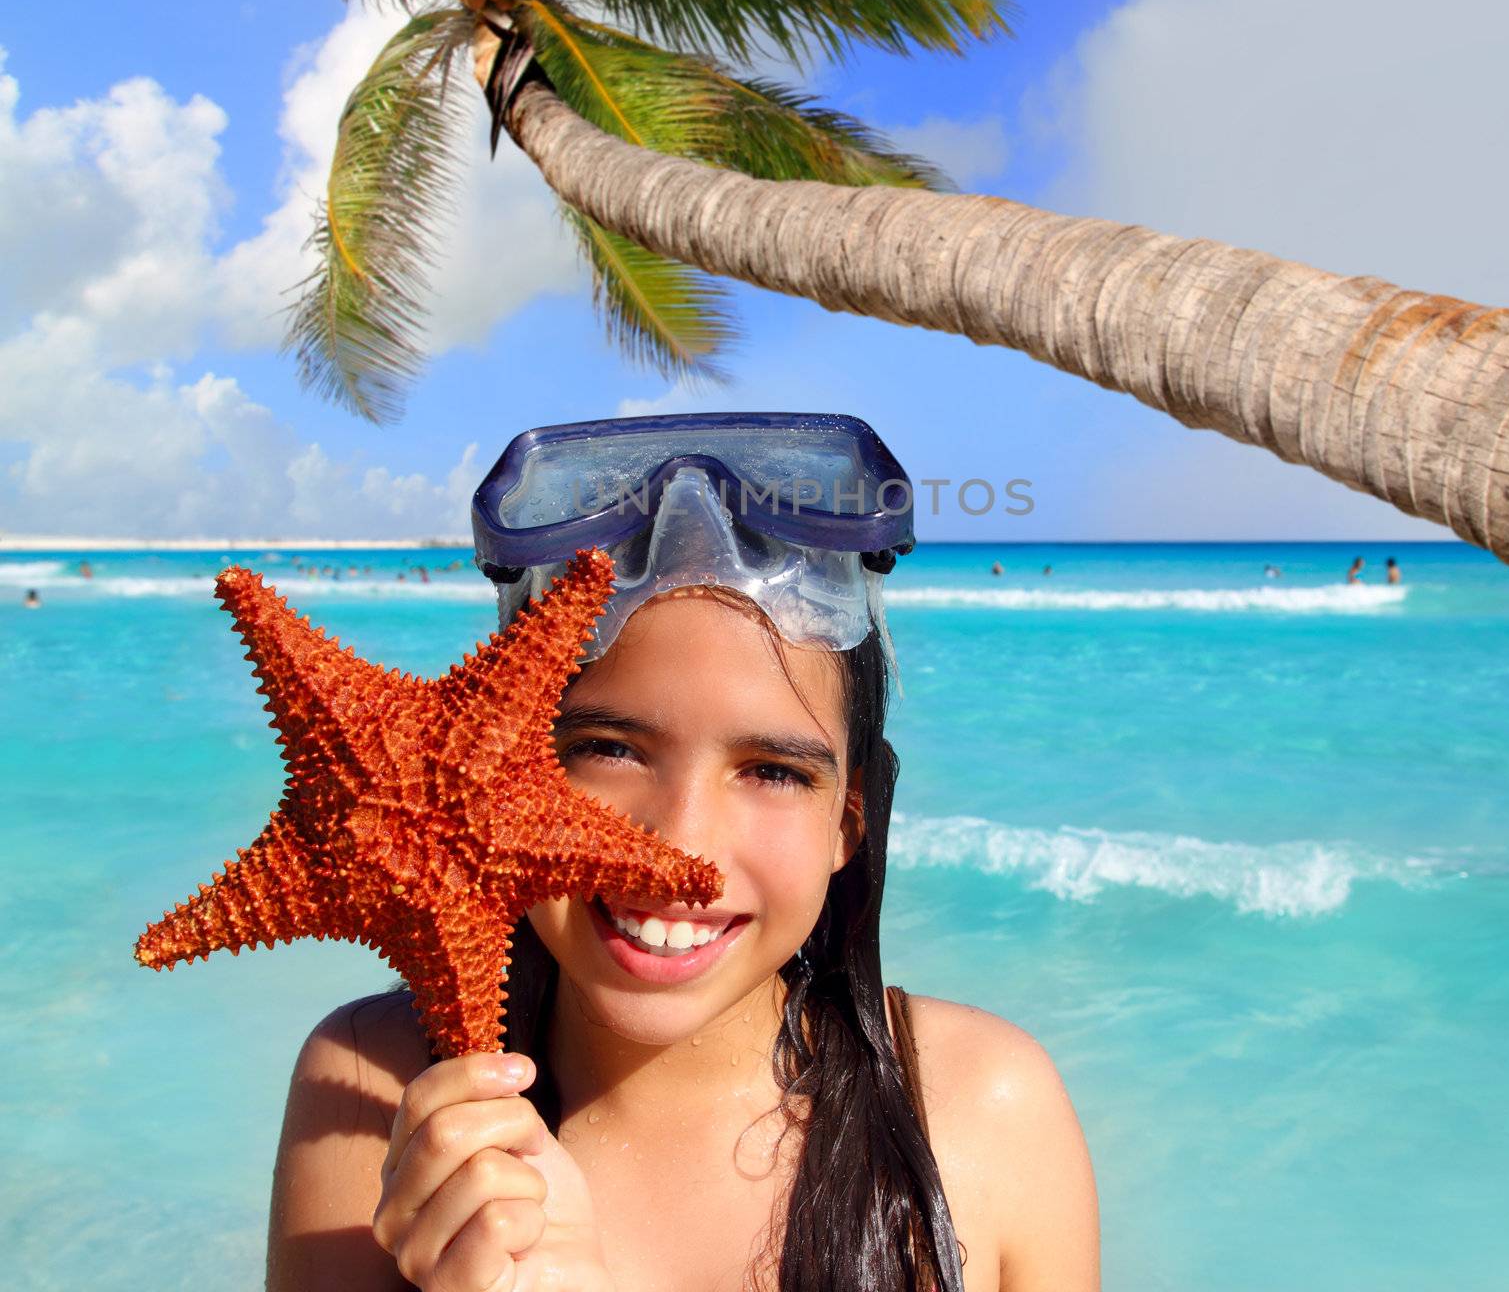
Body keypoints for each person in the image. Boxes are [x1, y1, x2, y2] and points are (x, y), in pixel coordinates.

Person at [266, 413, 1098, 1292]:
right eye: (610, 750)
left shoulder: (982, 1115)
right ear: (505, 776)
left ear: (848, 823)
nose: (681, 847)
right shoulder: (378, 1089)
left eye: (773, 770)